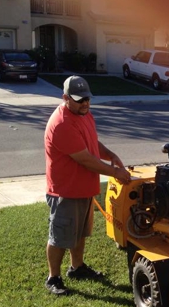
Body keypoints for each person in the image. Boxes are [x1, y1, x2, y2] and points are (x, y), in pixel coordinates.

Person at [44, 75, 131, 295]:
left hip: (84, 188)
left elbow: (91, 142)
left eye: (87, 99)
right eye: (79, 99)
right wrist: (116, 172)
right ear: (65, 98)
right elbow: (85, 159)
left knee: (80, 233)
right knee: (61, 236)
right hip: (66, 190)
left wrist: (110, 154)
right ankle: (53, 278)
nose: (85, 103)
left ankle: (77, 267)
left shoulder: (84, 114)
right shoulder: (62, 123)